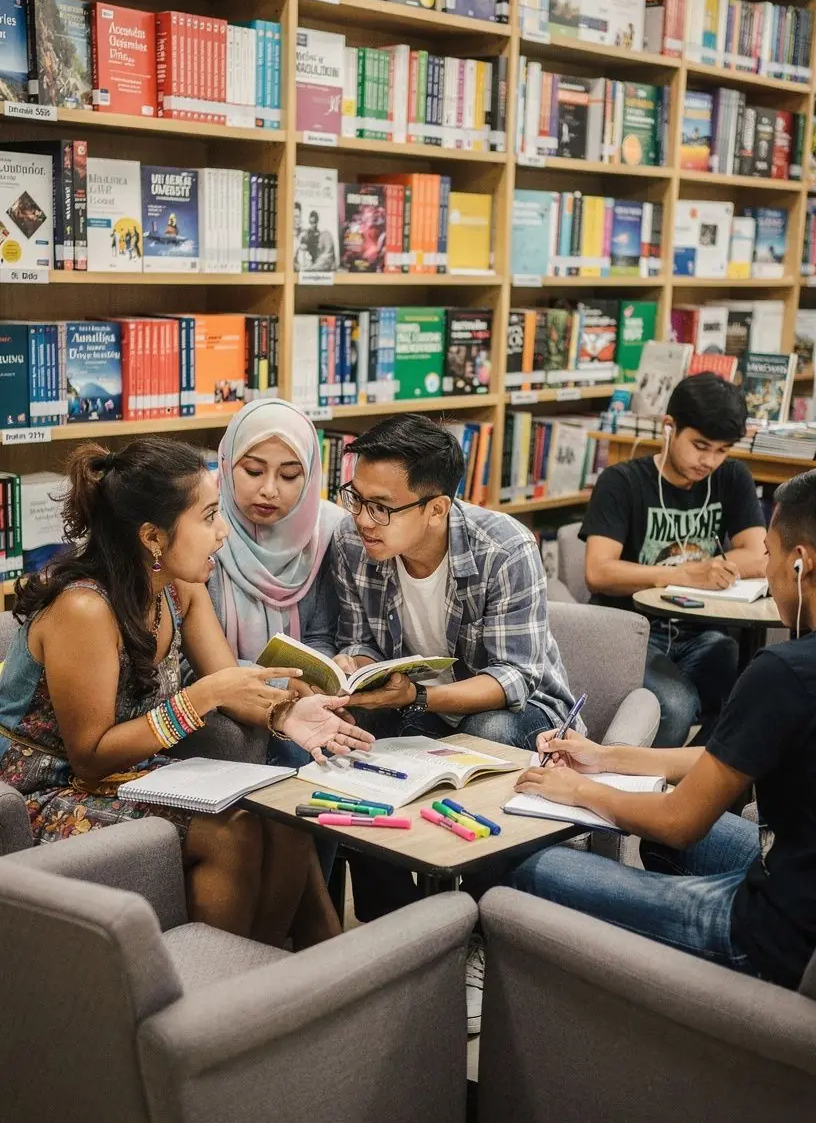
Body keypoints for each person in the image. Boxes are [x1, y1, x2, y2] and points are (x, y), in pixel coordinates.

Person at [1, 438, 372, 947]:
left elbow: (231, 686)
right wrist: (198, 699)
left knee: (286, 814)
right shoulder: (83, 610)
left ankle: (259, 979)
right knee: (231, 831)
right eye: (210, 516)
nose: (223, 532)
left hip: (128, 776)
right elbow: (88, 758)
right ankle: (217, 993)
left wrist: (287, 713)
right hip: (40, 792)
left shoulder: (180, 588)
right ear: (153, 537)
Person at [507, 467, 816, 990]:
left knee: (534, 872)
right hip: (795, 871)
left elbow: (679, 821)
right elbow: (732, 757)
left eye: (768, 554)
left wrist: (579, 790)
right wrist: (607, 759)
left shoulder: (782, 672)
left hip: (775, 934)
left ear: (800, 562)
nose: (766, 573)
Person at [331, 413, 577, 928]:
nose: (362, 519)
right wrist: (357, 668)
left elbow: (515, 678)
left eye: (381, 507)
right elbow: (358, 639)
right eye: (355, 497)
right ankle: (398, 924)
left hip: (519, 710)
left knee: (489, 733)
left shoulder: (504, 547)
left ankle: (487, 921)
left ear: (437, 508)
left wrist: (417, 698)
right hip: (412, 703)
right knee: (349, 742)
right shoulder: (352, 544)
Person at [580, 372, 766, 746]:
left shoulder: (731, 477)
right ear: (669, 427)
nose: (710, 461)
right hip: (633, 630)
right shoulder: (622, 481)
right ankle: (647, 793)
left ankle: (692, 790)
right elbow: (598, 572)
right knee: (677, 706)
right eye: (700, 445)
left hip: (704, 629)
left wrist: (713, 568)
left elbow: (759, 556)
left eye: (722, 450)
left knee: (753, 701)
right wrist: (683, 574)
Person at [210, 397, 343, 771]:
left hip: (300, 694)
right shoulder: (201, 532)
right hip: (218, 692)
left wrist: (326, 668)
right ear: (226, 464)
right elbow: (190, 662)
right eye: (253, 471)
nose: (270, 490)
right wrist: (283, 688)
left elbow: (321, 634)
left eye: (289, 476)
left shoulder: (327, 532)